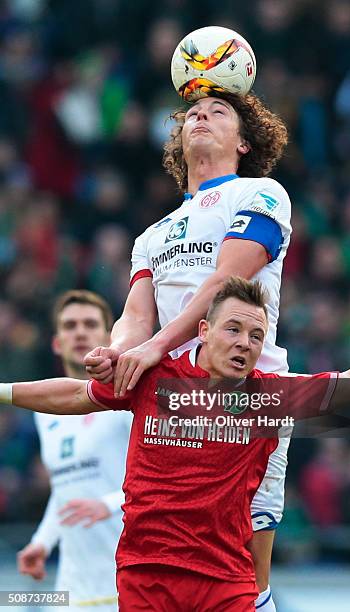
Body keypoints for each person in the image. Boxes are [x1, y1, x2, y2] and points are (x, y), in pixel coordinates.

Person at [2, 277, 350, 611]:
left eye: (256, 336)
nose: (245, 343)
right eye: (233, 329)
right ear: (203, 330)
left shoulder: (267, 399)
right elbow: (74, 395)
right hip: (147, 575)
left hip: (225, 582)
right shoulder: (154, 378)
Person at [85, 92, 291, 611]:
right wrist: (118, 352)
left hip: (248, 404)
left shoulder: (261, 194)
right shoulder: (152, 235)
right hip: (176, 405)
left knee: (246, 565)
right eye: (193, 114)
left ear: (244, 142)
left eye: (218, 112)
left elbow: (227, 280)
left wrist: (154, 346)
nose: (201, 116)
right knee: (173, 558)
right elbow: (135, 315)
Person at [16, 291, 132, 612]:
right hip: (71, 591)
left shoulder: (127, 399)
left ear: (110, 338)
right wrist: (42, 541)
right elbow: (65, 489)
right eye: (69, 325)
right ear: (56, 343)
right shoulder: (44, 412)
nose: (79, 332)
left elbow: (165, 478)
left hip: (128, 585)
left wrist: (107, 505)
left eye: (90, 324)